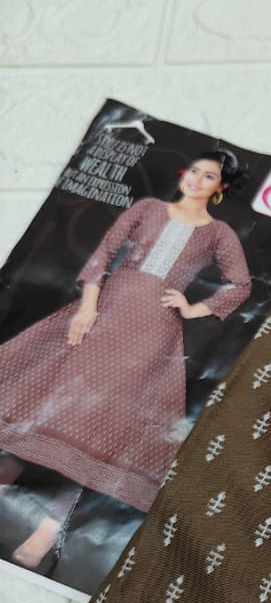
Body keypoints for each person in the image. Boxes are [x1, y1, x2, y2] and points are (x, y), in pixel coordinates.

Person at [0, 148, 253, 570]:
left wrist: (194, 308)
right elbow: (102, 256)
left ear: (221, 187)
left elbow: (240, 284)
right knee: (46, 395)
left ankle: (48, 527)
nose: (195, 179)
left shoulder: (217, 233)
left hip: (151, 333)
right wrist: (86, 308)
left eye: (207, 176)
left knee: (106, 427)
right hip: (107, 310)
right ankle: (6, 476)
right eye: (193, 170)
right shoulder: (148, 208)